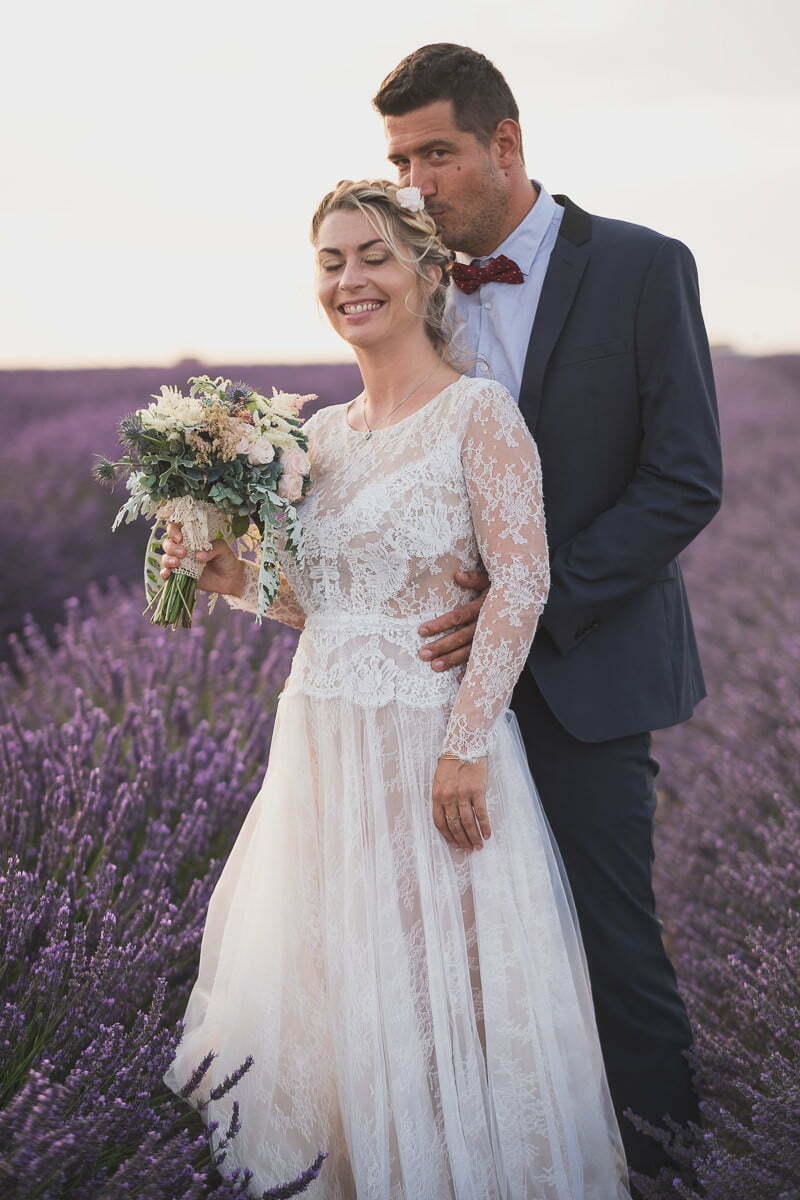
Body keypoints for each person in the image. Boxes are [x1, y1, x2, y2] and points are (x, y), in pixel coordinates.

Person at [161, 179, 632, 1199]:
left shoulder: (477, 413)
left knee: (440, 993)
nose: (349, 280)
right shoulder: (318, 438)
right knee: (339, 994)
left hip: (430, 749)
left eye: (371, 256)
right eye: (331, 262)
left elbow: (522, 578)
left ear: (427, 274)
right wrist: (227, 576)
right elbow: (314, 603)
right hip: (324, 748)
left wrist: (467, 743)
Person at [372, 42, 723, 1186]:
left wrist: (528, 605)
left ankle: (669, 1168)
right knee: (456, 959)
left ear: (504, 143)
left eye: (436, 154)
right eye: (397, 159)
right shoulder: (410, 282)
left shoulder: (639, 266)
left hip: (586, 669)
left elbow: (683, 478)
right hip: (427, 684)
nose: (415, 183)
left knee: (611, 949)